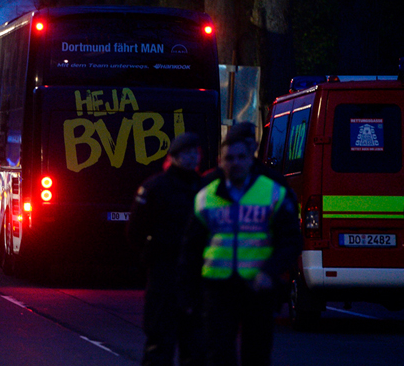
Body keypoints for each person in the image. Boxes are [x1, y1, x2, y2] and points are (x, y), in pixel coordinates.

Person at [185, 127, 301, 366]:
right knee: (218, 354)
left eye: (240, 157)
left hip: (257, 288)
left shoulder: (272, 191)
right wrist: (189, 291)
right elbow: (190, 247)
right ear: (220, 161)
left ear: (251, 158)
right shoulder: (206, 193)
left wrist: (270, 273)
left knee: (256, 355)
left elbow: (290, 240)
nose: (235, 163)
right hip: (217, 289)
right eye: (229, 158)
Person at [128, 132, 204, 366]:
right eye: (185, 153)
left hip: (195, 276)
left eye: (194, 153)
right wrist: (149, 258)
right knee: (159, 343)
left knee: (195, 346)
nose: (191, 158)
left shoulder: (205, 189)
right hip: (164, 272)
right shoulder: (155, 187)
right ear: (173, 156)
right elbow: (135, 231)